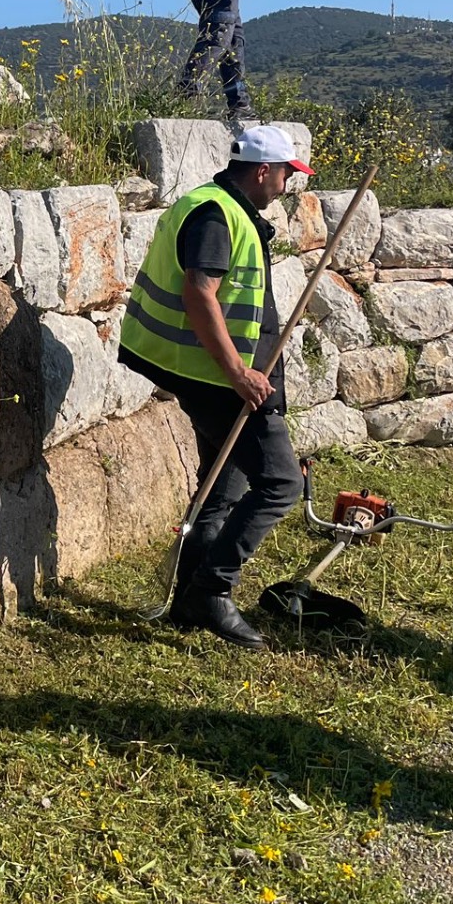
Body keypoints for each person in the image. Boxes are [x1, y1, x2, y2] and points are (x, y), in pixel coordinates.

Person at [117, 123, 313, 650]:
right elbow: (199, 294)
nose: (289, 185)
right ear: (263, 170)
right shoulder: (215, 214)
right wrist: (239, 374)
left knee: (222, 485)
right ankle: (212, 589)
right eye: (287, 175)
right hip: (221, 378)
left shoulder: (225, 207)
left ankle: (188, 598)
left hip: (216, 373)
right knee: (280, 484)